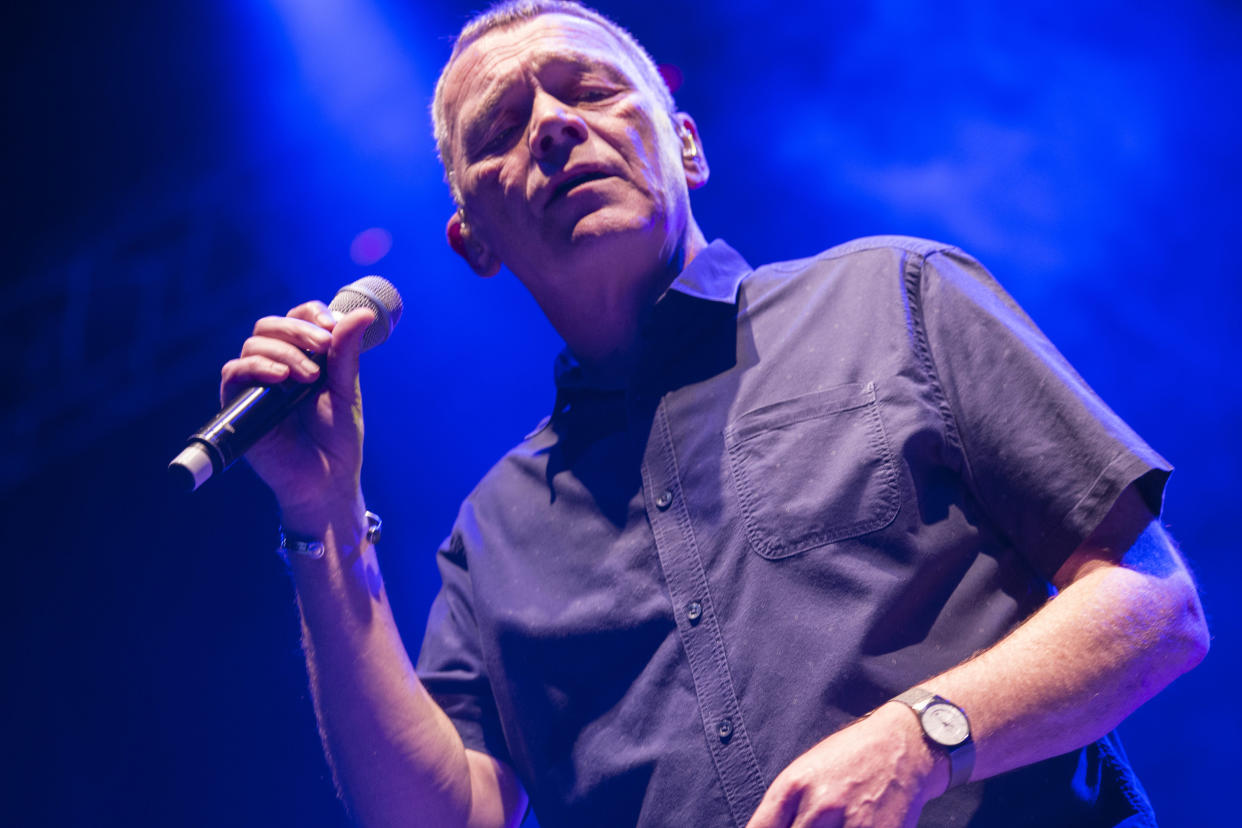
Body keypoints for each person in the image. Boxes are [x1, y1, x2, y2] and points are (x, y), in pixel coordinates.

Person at [219, 2, 1208, 826]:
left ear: (686, 147)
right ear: (473, 239)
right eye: (502, 127)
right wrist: (325, 518)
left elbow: (1155, 606)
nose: (556, 124)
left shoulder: (896, 295)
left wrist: (925, 737)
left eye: (591, 89)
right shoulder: (493, 533)